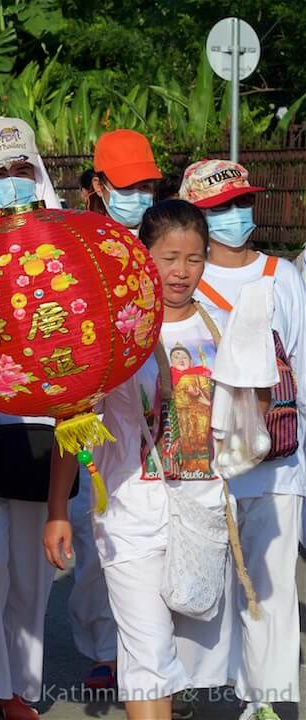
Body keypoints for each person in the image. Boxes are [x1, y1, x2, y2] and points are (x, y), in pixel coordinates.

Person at [45, 199, 240, 720]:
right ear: (141, 257)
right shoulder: (112, 332)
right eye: (168, 257)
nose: (182, 271)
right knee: (148, 651)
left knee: (179, 656)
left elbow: (245, 424)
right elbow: (75, 425)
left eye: (195, 258)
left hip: (199, 515)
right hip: (129, 517)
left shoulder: (225, 329)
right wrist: (57, 511)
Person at [0, 117, 117, 719]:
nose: (12, 184)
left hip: (41, 432)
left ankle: (20, 688)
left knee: (30, 576)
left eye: (23, 171)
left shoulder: (66, 249)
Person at [179, 159, 306, 720]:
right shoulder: (183, 279)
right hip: (201, 459)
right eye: (219, 208)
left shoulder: (282, 275)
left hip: (278, 457)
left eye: (242, 202)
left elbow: (300, 363)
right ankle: (196, 686)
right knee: (207, 575)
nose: (236, 215)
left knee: (273, 582)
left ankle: (269, 699)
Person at [91, 130, 161, 235]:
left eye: (145, 187)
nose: (136, 196)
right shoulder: (85, 240)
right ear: (99, 187)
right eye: (126, 187)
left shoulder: (165, 238)